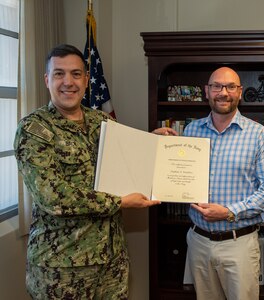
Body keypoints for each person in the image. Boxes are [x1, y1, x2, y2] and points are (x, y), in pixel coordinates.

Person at [14, 44, 160, 299]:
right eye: (59, 74)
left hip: (111, 262)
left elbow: (126, 158)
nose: (68, 82)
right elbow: (53, 197)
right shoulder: (33, 129)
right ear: (47, 79)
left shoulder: (102, 122)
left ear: (86, 80)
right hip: (62, 267)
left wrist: (154, 143)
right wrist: (120, 202)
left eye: (76, 74)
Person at [178, 67, 264, 300]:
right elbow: (178, 175)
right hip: (198, 241)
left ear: (240, 92)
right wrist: (159, 146)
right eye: (217, 86)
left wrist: (229, 212)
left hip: (238, 244)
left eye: (230, 86)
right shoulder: (191, 131)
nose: (223, 92)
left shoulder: (258, 134)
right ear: (207, 91)